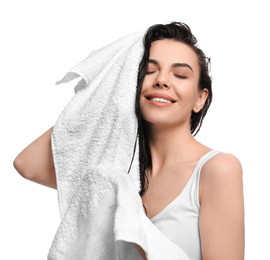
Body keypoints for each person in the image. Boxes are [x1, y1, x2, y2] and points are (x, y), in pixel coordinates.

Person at [13, 22, 244, 259]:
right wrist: (107, 89)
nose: (162, 80)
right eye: (149, 71)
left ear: (200, 98)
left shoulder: (217, 170)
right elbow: (27, 164)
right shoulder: (117, 174)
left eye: (180, 74)